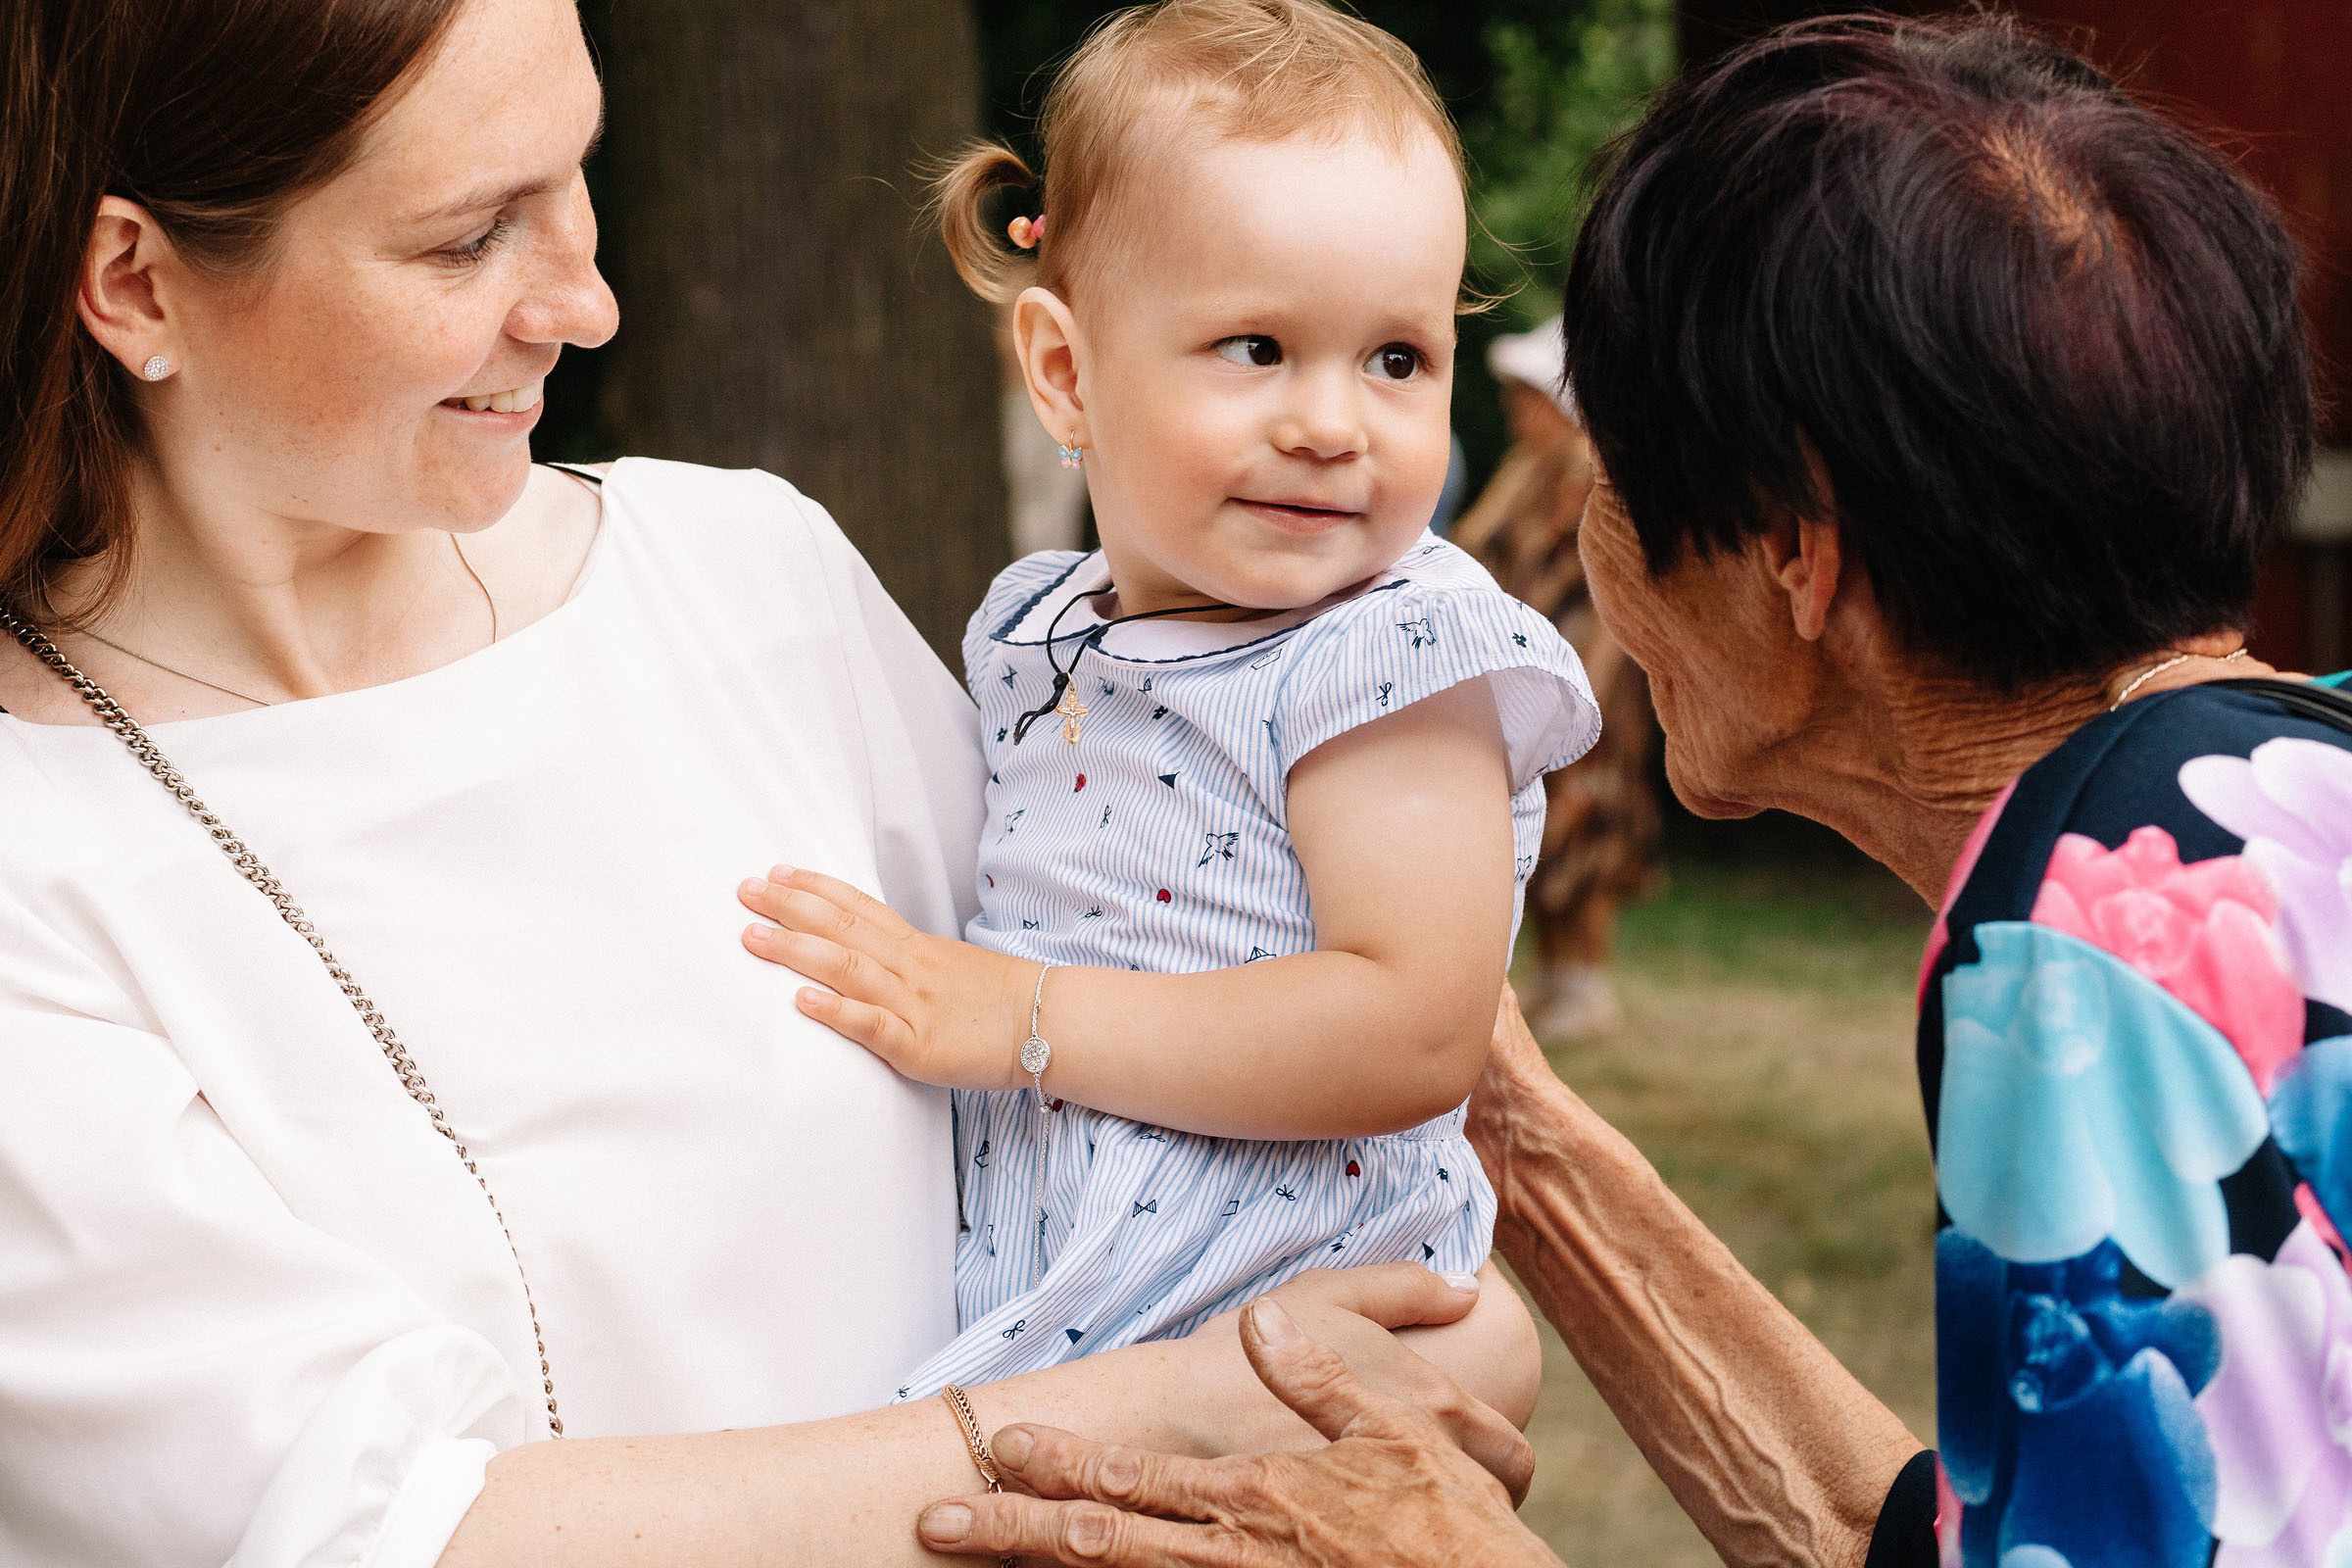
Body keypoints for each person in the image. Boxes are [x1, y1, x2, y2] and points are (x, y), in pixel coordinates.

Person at [0, 1, 1541, 1563]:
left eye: (577, 175)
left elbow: (1200, 1091)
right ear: (137, 281)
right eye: (469, 239)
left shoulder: (745, 576)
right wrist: (1160, 1418)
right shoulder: (33, 868)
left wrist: (1412, 1340)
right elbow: (389, 1535)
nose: (588, 304)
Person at [903, 14, 2352, 1567]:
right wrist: (1507, 1122)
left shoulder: (2106, 947)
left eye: (1608, 466)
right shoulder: (2275, 794)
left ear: (1797, 559)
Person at [736, 0, 1588, 1403]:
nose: (1332, 422)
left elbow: (1417, 1028)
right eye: (1257, 347)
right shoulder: (1039, 627)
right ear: (1068, 371)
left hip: (1281, 1349)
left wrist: (1018, 1015)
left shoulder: (1386, 655)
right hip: (1060, 1306)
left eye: (1396, 359)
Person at [1452, 317, 1661, 1040]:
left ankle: (1585, 980)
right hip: (1532, 676)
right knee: (1539, 825)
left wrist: (1593, 687)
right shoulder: (1527, 472)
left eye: (1526, 395)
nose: (1515, 410)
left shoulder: (1591, 476)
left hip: (1585, 678)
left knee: (1586, 826)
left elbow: (1609, 593)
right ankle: (1553, 977)